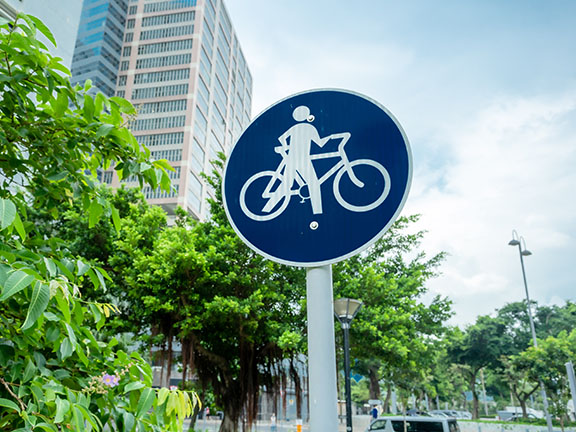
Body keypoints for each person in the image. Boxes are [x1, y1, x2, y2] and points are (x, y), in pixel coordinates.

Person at [263, 105, 331, 215]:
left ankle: (266, 209)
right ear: (307, 115)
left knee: (286, 185)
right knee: (314, 184)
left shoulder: (294, 128)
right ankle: (318, 213)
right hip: (302, 160)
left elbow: (281, 138)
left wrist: (285, 147)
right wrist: (331, 137)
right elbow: (320, 144)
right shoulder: (310, 128)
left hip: (291, 159)